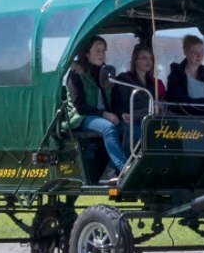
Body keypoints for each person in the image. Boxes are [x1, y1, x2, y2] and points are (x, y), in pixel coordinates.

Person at [63, 36, 126, 181]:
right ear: (86, 53)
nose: (101, 54)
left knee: (131, 128)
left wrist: (122, 114)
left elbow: (115, 100)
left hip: (103, 116)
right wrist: (104, 114)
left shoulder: (105, 74)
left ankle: (111, 168)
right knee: (109, 128)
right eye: (97, 50)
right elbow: (80, 107)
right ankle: (123, 169)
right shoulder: (75, 75)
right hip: (80, 117)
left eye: (104, 51)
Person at [114, 43, 166, 139]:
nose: (148, 61)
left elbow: (159, 103)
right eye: (144, 58)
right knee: (139, 134)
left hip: (149, 120)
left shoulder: (152, 83)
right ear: (135, 61)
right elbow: (118, 103)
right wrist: (122, 114)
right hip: (130, 121)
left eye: (150, 58)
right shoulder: (124, 80)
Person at [166, 34, 204, 116]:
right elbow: (181, 103)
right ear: (185, 52)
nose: (199, 56)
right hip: (186, 120)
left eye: (202, 52)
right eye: (195, 52)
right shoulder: (176, 75)